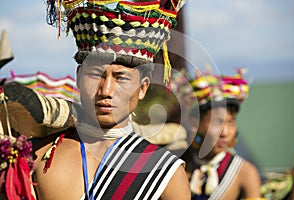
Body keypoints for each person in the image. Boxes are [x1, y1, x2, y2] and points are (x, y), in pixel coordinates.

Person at [7, 0, 190, 199]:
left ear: (142, 88)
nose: (106, 90)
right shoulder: (38, 157)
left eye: (120, 78)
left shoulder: (165, 173)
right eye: (95, 74)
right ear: (78, 76)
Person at [178, 69, 263, 199]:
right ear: (195, 123)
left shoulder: (245, 173)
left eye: (231, 122)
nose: (225, 132)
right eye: (217, 122)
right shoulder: (178, 165)